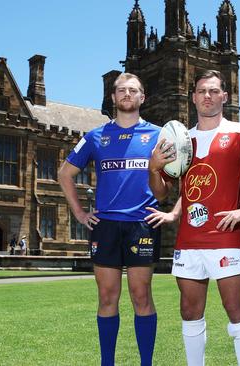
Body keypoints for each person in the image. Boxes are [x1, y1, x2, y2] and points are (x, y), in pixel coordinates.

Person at [147, 70, 240, 366]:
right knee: (189, 310)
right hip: (189, 241)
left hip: (226, 238)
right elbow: (161, 193)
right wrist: (153, 167)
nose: (207, 96)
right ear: (194, 97)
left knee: (236, 308)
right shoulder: (181, 140)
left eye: (214, 91)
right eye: (202, 91)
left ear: (225, 96)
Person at [58, 73, 161, 366]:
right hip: (105, 226)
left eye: (133, 90)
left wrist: (173, 211)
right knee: (107, 298)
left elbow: (183, 173)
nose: (127, 94)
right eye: (121, 90)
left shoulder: (159, 134)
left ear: (142, 97)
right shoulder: (95, 136)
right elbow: (65, 174)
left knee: (141, 296)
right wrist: (79, 212)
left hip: (142, 223)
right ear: (113, 98)